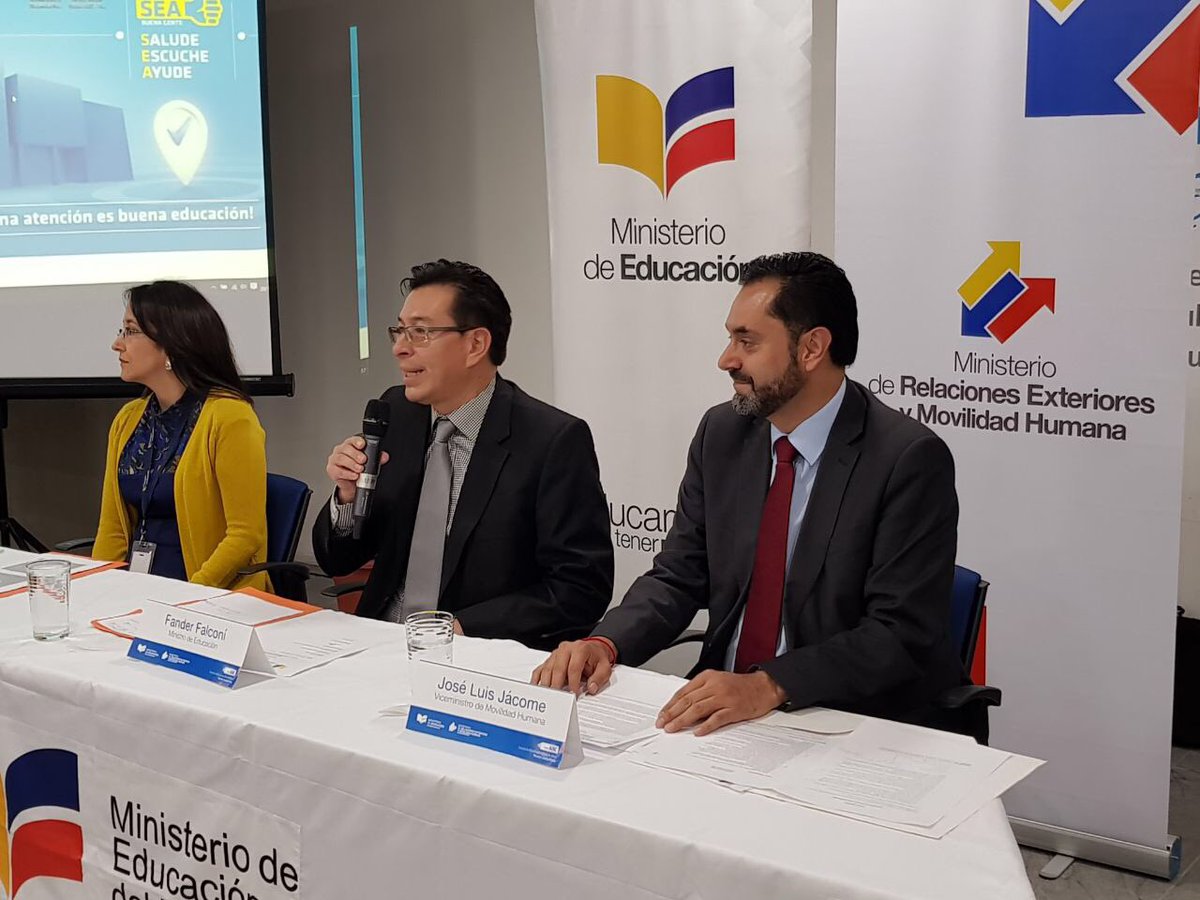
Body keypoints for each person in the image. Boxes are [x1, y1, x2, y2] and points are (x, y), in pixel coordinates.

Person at [533, 251, 979, 740]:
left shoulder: (905, 458)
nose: (727, 359)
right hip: (726, 715)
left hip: (845, 718)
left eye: (747, 342)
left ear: (811, 348)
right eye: (731, 338)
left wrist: (769, 685)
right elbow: (679, 575)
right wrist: (605, 643)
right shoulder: (723, 433)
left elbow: (898, 632)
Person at [312, 259, 613, 649]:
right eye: (399, 331)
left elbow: (580, 588)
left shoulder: (551, 441)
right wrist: (348, 498)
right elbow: (338, 560)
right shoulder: (397, 414)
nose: (400, 348)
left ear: (475, 345)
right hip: (379, 643)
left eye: (420, 332)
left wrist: (462, 628)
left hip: (477, 658)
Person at [93, 281, 270, 590]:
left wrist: (186, 595)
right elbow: (112, 530)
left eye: (130, 331)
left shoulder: (230, 417)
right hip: (137, 591)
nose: (117, 344)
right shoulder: (127, 420)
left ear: (172, 344)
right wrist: (97, 590)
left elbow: (245, 536)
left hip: (210, 594)